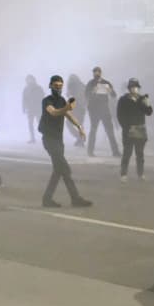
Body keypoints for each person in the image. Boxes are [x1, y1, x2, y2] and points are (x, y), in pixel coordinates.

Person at [38, 75, 92, 208]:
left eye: (61, 86)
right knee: (65, 169)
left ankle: (47, 199)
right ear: (50, 86)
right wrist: (67, 107)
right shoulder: (47, 101)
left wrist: (79, 127)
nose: (58, 88)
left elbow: (68, 115)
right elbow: (54, 113)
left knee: (58, 170)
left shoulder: (62, 100)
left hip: (58, 140)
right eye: (56, 86)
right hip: (49, 140)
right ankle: (75, 198)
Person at [115, 78, 153, 182]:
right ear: (129, 88)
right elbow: (120, 115)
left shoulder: (142, 99)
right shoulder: (123, 100)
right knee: (127, 152)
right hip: (128, 130)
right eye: (133, 87)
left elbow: (149, 112)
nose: (135, 89)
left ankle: (140, 174)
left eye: (136, 87)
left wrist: (147, 103)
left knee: (140, 153)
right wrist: (126, 127)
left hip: (140, 129)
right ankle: (123, 174)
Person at [84, 67, 120, 157]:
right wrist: (93, 91)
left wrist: (109, 90)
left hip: (104, 110)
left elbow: (114, 95)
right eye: (95, 72)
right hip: (94, 110)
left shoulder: (106, 83)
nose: (96, 74)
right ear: (93, 73)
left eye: (98, 72)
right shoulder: (90, 83)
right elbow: (86, 95)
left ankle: (115, 151)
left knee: (110, 131)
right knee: (93, 131)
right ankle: (90, 151)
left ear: (100, 73)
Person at [21, 74, 43, 144]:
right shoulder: (26, 89)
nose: (29, 81)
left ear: (33, 79)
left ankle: (44, 137)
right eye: (28, 79)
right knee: (30, 124)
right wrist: (23, 108)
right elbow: (24, 99)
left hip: (37, 108)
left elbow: (42, 97)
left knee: (39, 123)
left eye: (30, 79)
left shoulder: (38, 88)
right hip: (30, 109)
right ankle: (32, 138)